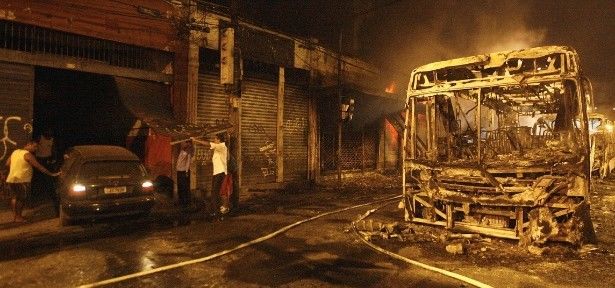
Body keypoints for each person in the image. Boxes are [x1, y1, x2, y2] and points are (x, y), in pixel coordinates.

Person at [5, 140, 60, 223]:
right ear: (28, 145)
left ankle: (15, 216)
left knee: (14, 198)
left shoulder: (15, 152)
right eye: (34, 146)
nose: (36, 148)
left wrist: (16, 167)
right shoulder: (28, 155)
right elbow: (38, 166)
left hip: (11, 178)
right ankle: (19, 217)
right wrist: (51, 174)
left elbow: (7, 163)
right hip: (22, 180)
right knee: (21, 199)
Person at [191, 133, 229, 214]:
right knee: (215, 191)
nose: (214, 140)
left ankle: (216, 211)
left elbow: (208, 144)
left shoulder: (221, 146)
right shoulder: (219, 148)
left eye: (215, 139)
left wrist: (196, 140)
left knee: (215, 192)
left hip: (220, 173)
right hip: (217, 173)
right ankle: (216, 209)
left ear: (219, 140)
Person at [176, 140, 194, 211]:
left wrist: (186, 171)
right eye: (185, 143)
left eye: (187, 143)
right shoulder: (182, 151)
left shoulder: (188, 152)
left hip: (184, 171)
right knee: (180, 186)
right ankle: (181, 201)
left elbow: (188, 162)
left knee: (185, 187)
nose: (185, 144)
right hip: (179, 171)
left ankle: (186, 203)